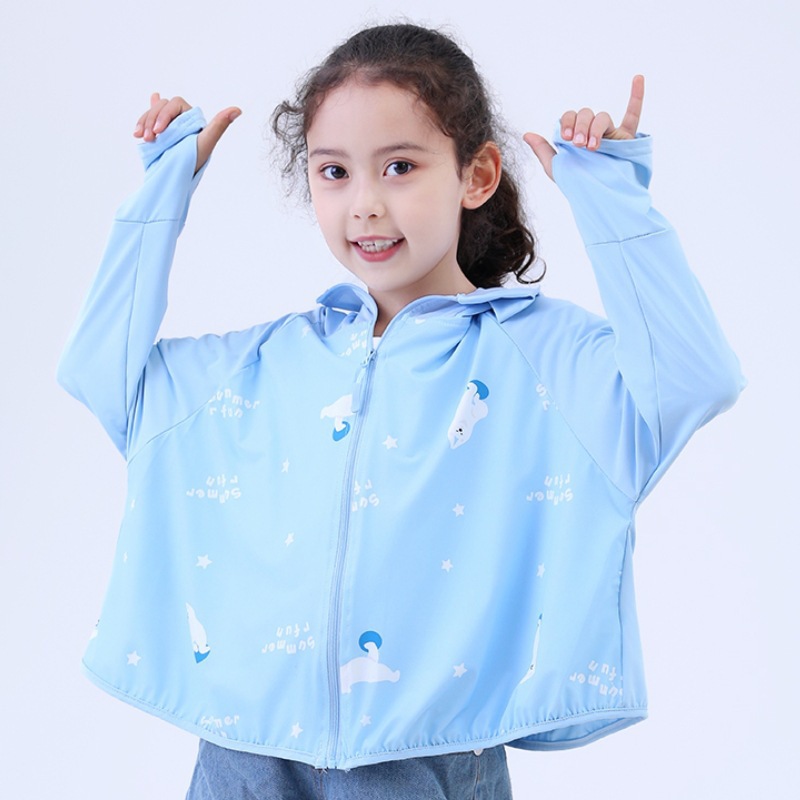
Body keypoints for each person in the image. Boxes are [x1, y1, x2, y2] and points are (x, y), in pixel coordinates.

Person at [57, 22, 743, 800]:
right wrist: (161, 191)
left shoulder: (542, 361)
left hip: (427, 755)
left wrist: (611, 198)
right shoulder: (263, 363)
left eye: (400, 167)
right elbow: (99, 372)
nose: (366, 205)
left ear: (477, 175)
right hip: (242, 755)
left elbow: (693, 377)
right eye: (334, 172)